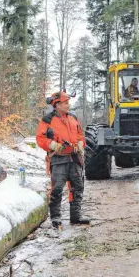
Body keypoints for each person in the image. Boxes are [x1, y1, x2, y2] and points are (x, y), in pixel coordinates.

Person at [36, 91, 90, 228]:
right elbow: (40, 138)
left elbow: (80, 136)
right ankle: (56, 217)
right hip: (58, 159)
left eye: (68, 102)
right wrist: (54, 145)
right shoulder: (48, 120)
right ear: (57, 104)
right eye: (66, 103)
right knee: (57, 188)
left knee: (78, 186)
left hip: (74, 157)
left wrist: (80, 144)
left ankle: (76, 216)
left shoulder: (73, 118)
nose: (68, 105)